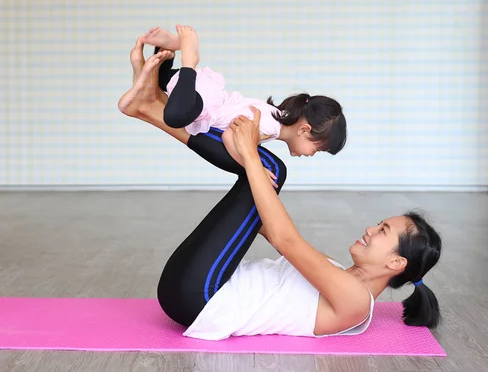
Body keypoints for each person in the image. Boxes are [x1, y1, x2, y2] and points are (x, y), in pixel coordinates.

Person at [117, 40, 442, 340]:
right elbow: (269, 231)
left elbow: (286, 240)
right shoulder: (340, 274)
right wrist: (250, 177)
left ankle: (153, 106)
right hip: (194, 286)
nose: (371, 229)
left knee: (270, 169)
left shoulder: (357, 301)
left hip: (200, 297)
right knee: (264, 172)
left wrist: (250, 160)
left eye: (384, 231)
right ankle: (153, 103)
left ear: (396, 264)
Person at [129, 25, 347, 171]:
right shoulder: (269, 128)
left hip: (202, 93)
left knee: (162, 81)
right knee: (175, 116)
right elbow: (230, 139)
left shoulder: (274, 116)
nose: (310, 155)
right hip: (207, 104)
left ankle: (170, 47)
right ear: (304, 130)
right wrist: (255, 168)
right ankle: (189, 58)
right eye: (316, 150)